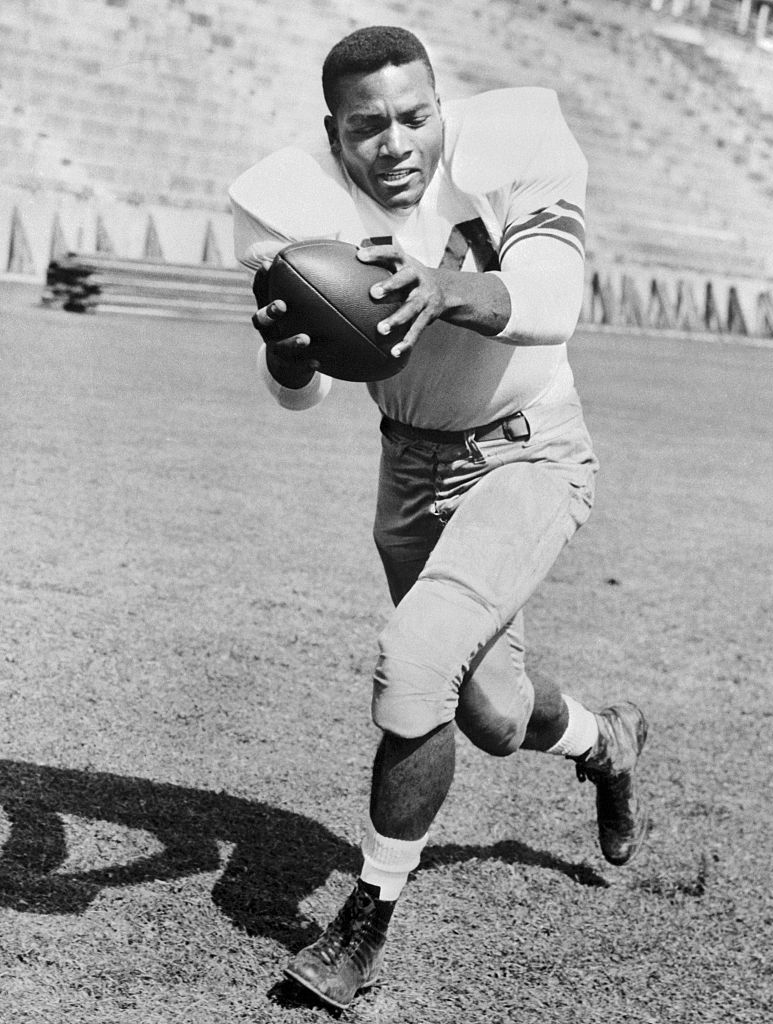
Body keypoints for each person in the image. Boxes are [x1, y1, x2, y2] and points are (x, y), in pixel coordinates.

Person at [229, 25, 649, 1011]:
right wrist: (289, 355)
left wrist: (443, 286)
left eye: (414, 116)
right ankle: (607, 741)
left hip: (529, 449)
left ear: (439, 106)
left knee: (415, 660)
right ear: (333, 131)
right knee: (491, 714)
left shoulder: (517, 138)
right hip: (410, 466)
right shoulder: (283, 201)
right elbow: (298, 393)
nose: (396, 144)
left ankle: (362, 927)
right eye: (366, 126)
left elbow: (553, 297)